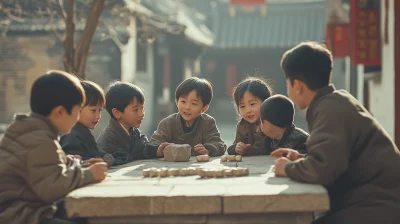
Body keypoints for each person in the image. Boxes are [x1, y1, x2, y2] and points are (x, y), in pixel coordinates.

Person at [272, 41, 400, 224]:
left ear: (297, 85)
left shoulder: (329, 109)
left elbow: (324, 170)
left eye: (287, 83)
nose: (289, 90)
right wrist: (302, 159)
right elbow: (333, 158)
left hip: (377, 206)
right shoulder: (336, 101)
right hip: (372, 200)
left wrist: (287, 168)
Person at [0, 70, 107, 224]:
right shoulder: (39, 140)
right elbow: (52, 188)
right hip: (21, 216)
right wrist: (88, 174)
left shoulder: (31, 131)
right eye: (77, 112)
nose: (77, 118)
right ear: (60, 112)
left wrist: (67, 162)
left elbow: (41, 172)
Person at [151, 77, 226, 156]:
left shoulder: (208, 123)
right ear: (177, 102)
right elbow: (153, 143)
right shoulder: (168, 123)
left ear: (204, 108)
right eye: (183, 101)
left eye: (194, 103)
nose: (187, 107)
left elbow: (219, 145)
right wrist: (158, 149)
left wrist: (207, 149)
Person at [97, 81, 159, 165]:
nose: (142, 114)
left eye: (142, 108)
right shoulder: (109, 138)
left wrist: (158, 149)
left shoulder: (134, 131)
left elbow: (143, 147)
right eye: (136, 110)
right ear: (117, 113)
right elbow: (117, 158)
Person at [227, 77, 272, 155]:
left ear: (266, 101)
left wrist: (248, 149)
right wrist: (237, 148)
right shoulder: (242, 125)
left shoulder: (273, 122)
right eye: (242, 106)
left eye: (252, 104)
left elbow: (269, 148)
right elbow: (233, 147)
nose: (248, 110)